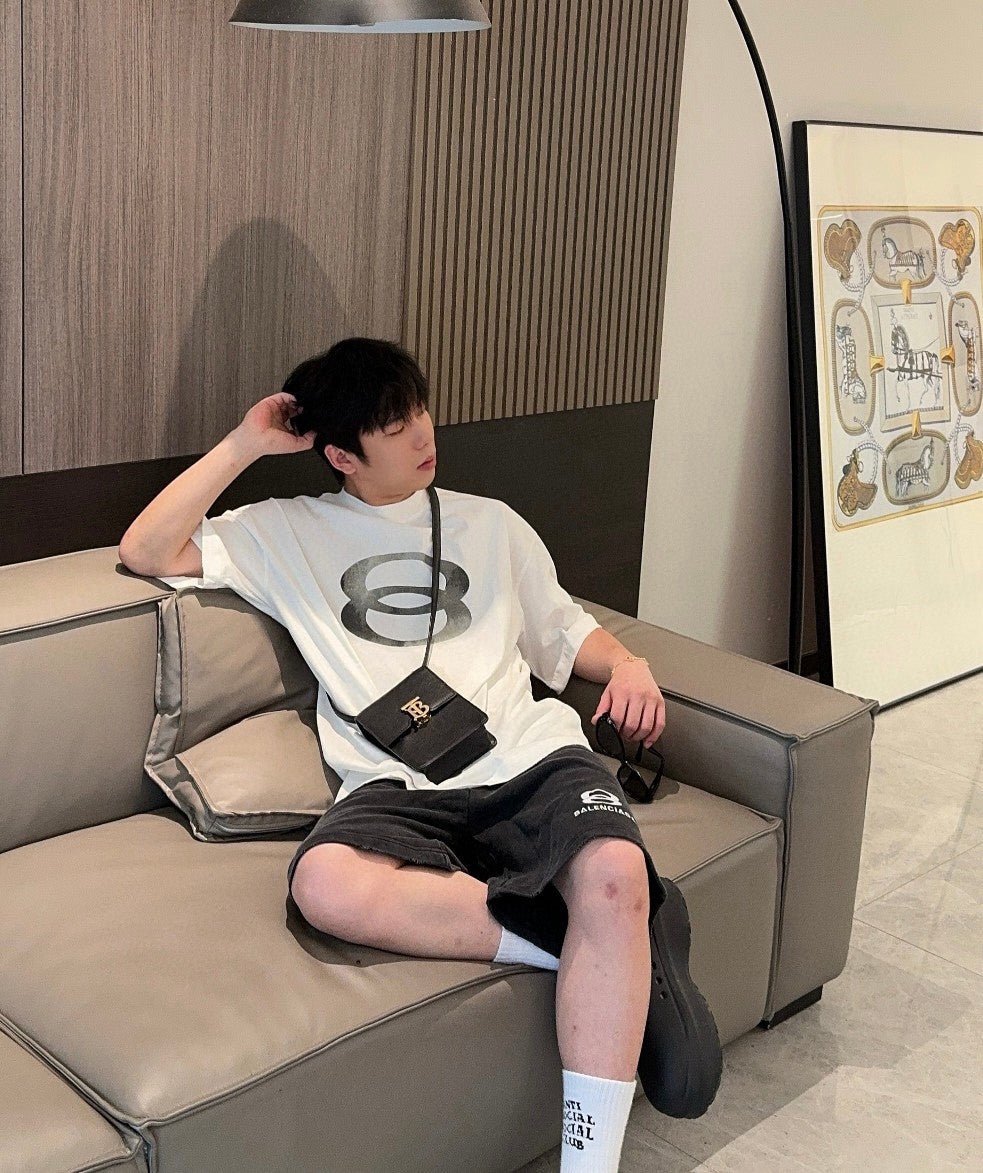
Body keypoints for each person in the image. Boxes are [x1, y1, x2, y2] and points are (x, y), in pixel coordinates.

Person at [118, 337, 721, 1171]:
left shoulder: (492, 522)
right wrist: (247, 442)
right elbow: (146, 550)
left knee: (614, 867)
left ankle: (593, 1146)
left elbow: (563, 633)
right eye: (395, 425)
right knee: (324, 883)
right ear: (340, 454)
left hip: (526, 757)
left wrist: (628, 664)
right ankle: (599, 938)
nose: (423, 433)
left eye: (420, 410)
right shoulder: (284, 531)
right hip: (393, 775)